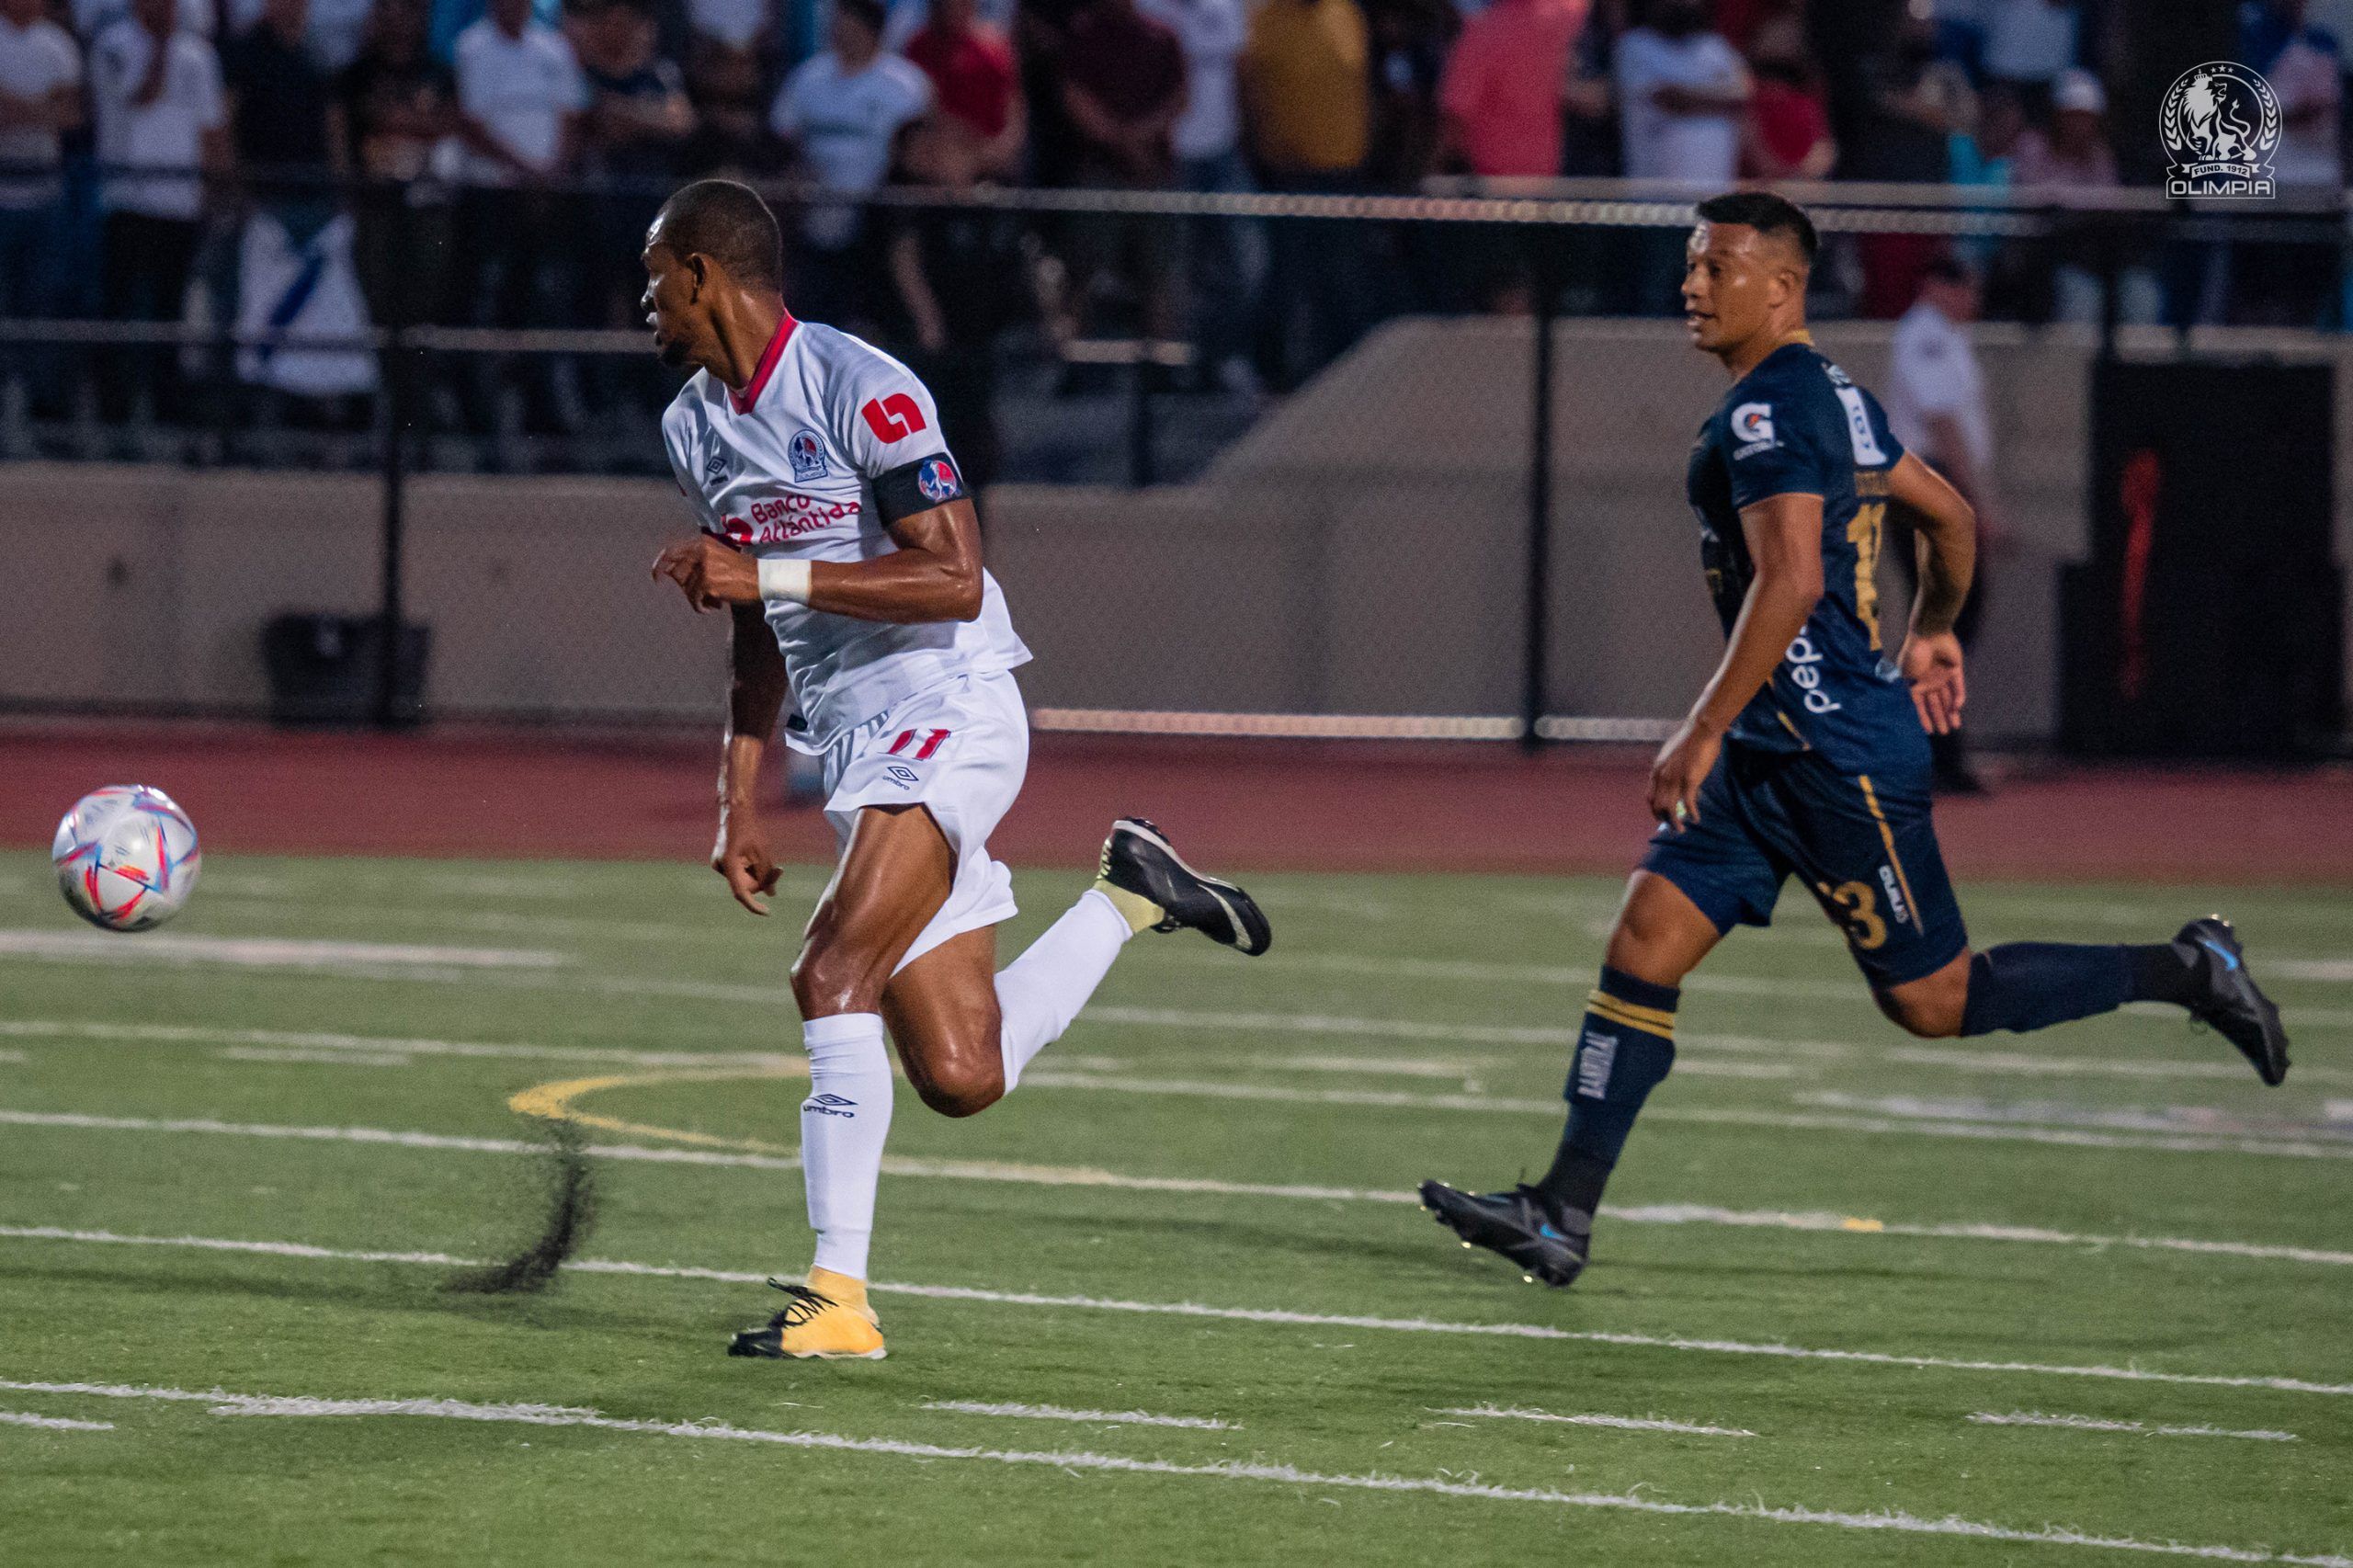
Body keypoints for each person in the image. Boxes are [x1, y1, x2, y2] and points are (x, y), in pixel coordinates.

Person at [1418, 191, 2290, 1290]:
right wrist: (1928, 630)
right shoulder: (1833, 395)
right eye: (1691, 264)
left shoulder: (1768, 411)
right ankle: (1561, 1209)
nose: (1692, 284)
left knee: (1935, 1001)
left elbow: (1790, 578)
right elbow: (1951, 517)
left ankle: (2186, 968)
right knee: (1643, 942)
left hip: (1836, 760)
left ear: (1781, 286)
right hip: (1775, 755)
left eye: (1718, 266)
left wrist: (1701, 724)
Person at [641, 179, 1271, 1358]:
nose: (641, 304)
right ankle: (1130, 893)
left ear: (698, 273)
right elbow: (749, 621)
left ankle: (838, 1298)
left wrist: (764, 578)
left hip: (948, 708)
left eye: (650, 278)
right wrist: (739, 794)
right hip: (855, 745)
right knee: (959, 1070)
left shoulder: (861, 385)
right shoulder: (691, 424)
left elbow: (953, 578)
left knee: (830, 970)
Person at [87, 0, 229, 426]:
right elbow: (139, 98)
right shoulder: (111, 46)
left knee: (171, 313)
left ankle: (168, 413)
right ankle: (113, 413)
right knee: (120, 309)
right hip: (126, 201)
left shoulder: (200, 56)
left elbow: (211, 128)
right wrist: (161, 49)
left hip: (180, 206)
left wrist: (214, 190)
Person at [1883, 255, 1994, 793]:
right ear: (1938, 286)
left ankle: (1933, 749)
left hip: (1934, 489)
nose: (1974, 302)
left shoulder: (1947, 336)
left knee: (1948, 618)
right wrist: (1975, 505)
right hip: (1928, 489)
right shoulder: (1923, 335)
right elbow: (1942, 423)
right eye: (1967, 289)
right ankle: (1926, 752)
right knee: (1942, 618)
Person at [768, 0, 931, 327]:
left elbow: (922, 153)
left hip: (878, 226)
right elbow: (781, 141)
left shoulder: (906, 85)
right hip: (812, 221)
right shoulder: (807, 79)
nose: (843, 28)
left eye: (853, 21)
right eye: (840, 19)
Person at [0, 0, 81, 420]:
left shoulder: (57, 44)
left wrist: (17, 106)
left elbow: (72, 115)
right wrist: (43, 108)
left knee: (41, 305)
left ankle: (37, 407)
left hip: (44, 194)